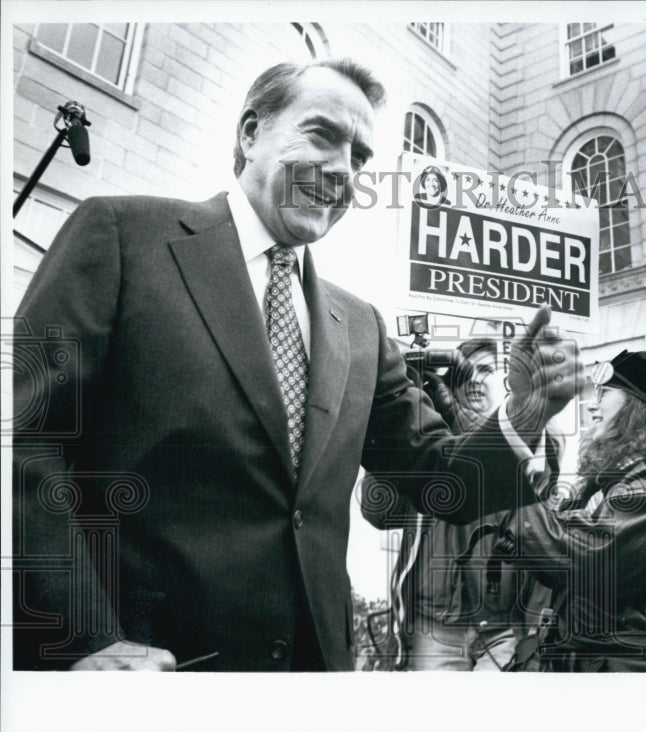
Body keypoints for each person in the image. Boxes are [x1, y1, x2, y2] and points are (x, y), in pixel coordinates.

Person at [12, 58, 580, 672]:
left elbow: (440, 479)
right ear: (251, 132)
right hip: (143, 675)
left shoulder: (360, 326)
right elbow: (25, 442)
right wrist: (88, 639)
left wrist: (525, 414)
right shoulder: (122, 237)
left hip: (311, 679)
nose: (343, 170)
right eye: (321, 135)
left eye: (359, 157)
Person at [499, 351, 646, 672]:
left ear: (638, 406)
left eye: (604, 393)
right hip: (607, 663)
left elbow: (581, 557)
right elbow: (553, 564)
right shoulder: (602, 486)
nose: (592, 406)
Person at [362, 339, 555, 671]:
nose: (475, 380)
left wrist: (537, 633)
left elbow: (543, 538)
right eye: (466, 371)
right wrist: (396, 427)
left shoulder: (527, 440)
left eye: (486, 370)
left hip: (503, 628)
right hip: (434, 626)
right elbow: (378, 512)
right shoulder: (427, 449)